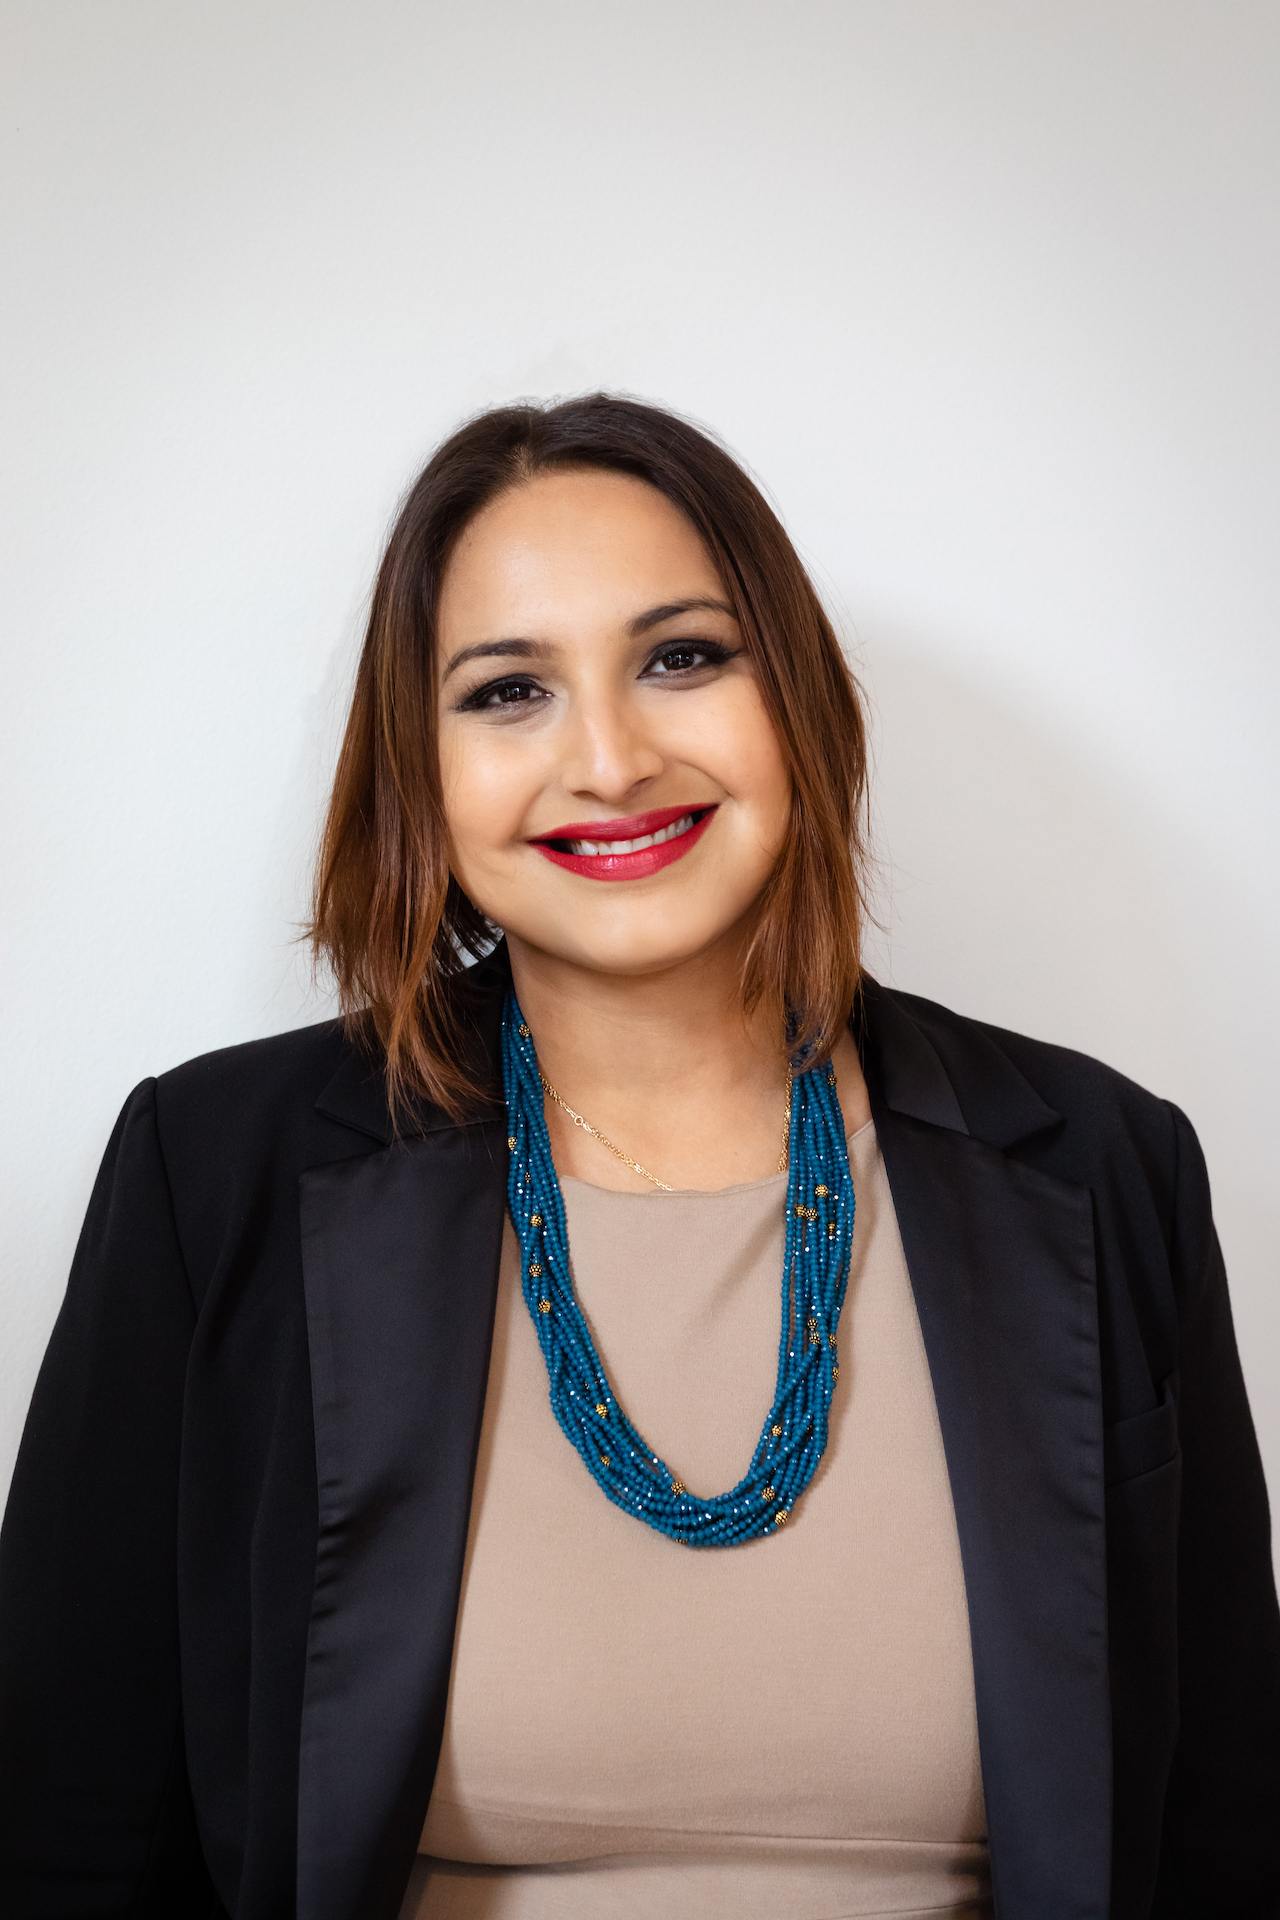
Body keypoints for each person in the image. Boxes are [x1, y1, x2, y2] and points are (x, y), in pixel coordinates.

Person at [1, 395, 1276, 1920]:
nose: (607, 759)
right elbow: (65, 1833)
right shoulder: (209, 1177)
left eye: (682, 656)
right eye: (506, 691)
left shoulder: (1104, 1169)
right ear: (422, 770)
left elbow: (1225, 1833)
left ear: (794, 697)